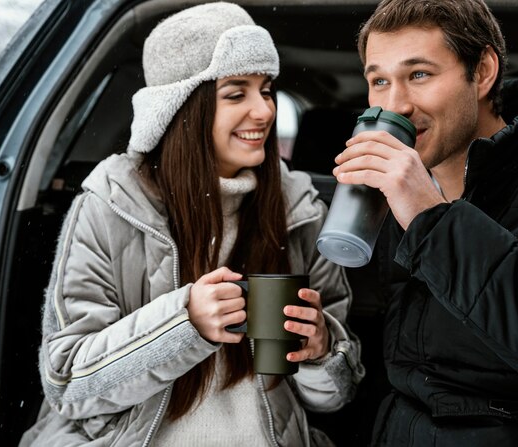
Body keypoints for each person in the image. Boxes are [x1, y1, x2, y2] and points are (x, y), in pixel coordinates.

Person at [19, 3, 364, 446]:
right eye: (236, 93)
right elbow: (68, 384)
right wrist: (184, 324)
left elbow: (336, 398)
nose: (263, 111)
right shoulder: (109, 207)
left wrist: (322, 351)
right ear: (181, 108)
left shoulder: (300, 211)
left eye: (266, 89)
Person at [332, 0, 518, 445]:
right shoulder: (385, 191)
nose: (395, 105)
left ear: (482, 71)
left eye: (419, 75)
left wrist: (431, 218)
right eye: (379, 80)